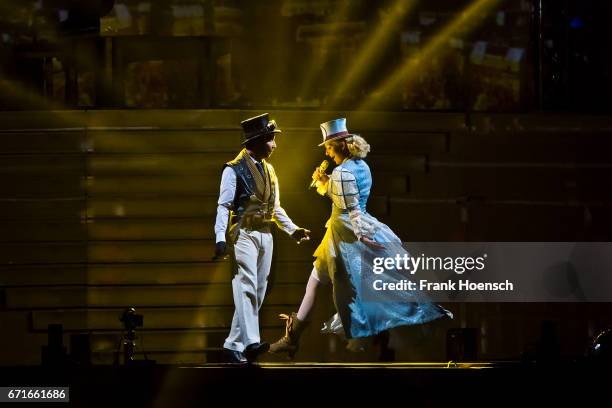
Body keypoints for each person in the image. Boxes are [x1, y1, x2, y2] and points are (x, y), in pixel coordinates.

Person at [269, 118, 452, 357]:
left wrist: (361, 236)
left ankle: (377, 339)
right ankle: (293, 337)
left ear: (341, 146)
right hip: (344, 231)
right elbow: (347, 199)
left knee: (353, 289)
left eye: (329, 147)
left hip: (345, 235)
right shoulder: (359, 167)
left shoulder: (342, 172)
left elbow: (352, 209)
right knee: (320, 281)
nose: (326, 151)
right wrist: (326, 182)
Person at [214, 113, 310, 364]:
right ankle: (250, 344)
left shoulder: (270, 170)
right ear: (257, 141)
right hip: (243, 233)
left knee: (258, 290)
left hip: (266, 234)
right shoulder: (233, 170)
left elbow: (275, 207)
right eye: (270, 139)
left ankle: (232, 344)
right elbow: (224, 206)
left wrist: (293, 229)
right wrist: (219, 237)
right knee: (245, 286)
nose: (275, 144)